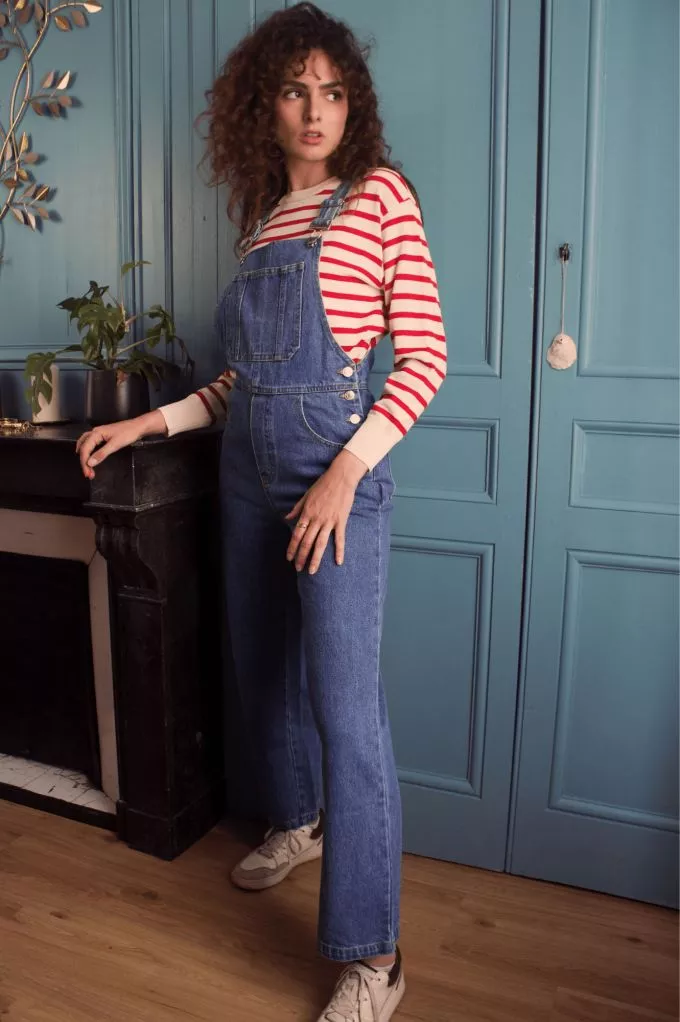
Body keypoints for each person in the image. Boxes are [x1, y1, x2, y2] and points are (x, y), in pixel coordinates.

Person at [76, 4, 446, 1019]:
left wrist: (342, 475)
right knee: (262, 670)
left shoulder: (380, 198)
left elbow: (424, 358)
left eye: (333, 92)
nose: (315, 111)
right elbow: (243, 381)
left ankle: (374, 957)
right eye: (295, 90)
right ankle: (296, 823)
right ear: (264, 105)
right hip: (245, 471)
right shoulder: (262, 221)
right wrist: (147, 422)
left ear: (352, 106)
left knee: (345, 709)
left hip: (335, 478)